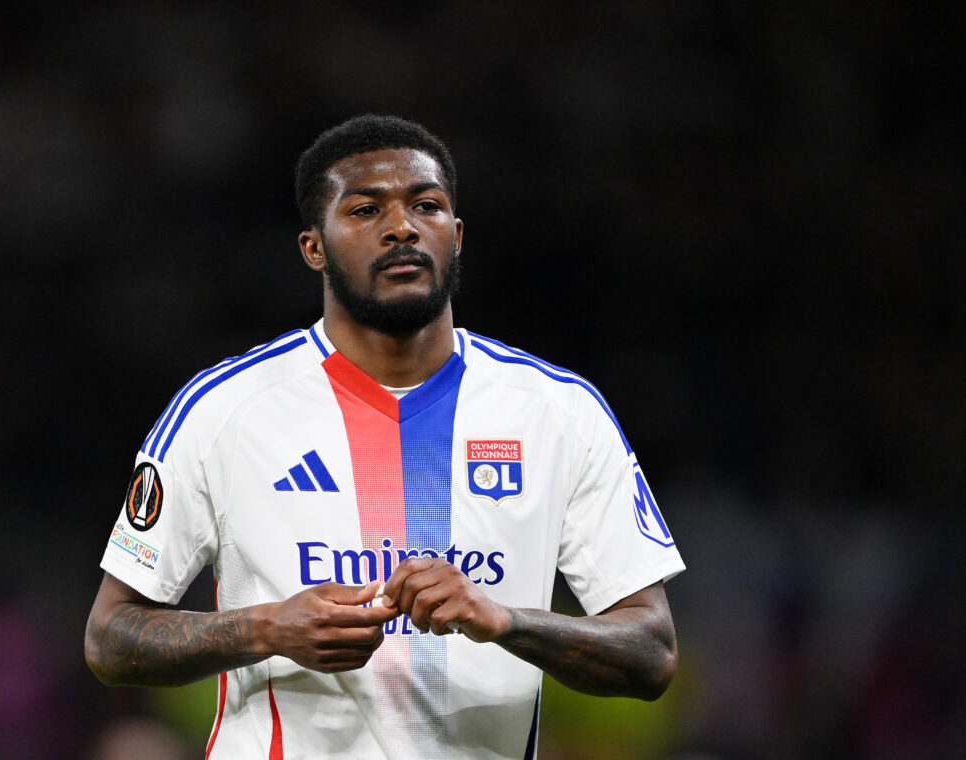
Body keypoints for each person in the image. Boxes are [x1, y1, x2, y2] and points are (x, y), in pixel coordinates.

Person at [84, 114, 685, 759]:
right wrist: (267, 628)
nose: (402, 227)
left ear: (456, 235)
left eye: (426, 206)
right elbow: (110, 639)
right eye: (366, 209)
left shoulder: (558, 412)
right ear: (313, 248)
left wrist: (503, 622)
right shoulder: (222, 411)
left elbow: (652, 653)